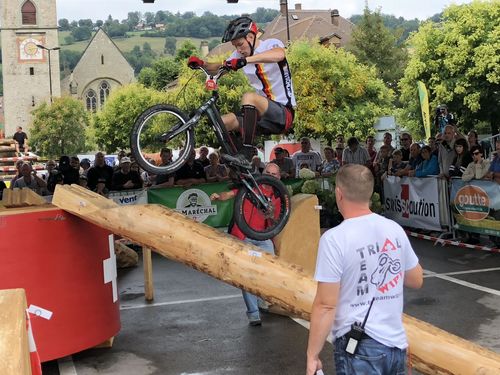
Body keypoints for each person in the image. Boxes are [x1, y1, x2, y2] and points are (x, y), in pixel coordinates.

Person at [306, 164, 423, 375]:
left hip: (359, 347)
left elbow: (325, 305)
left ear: (339, 194)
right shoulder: (394, 229)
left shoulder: (334, 239)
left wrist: (312, 355)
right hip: (396, 345)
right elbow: (416, 279)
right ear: (370, 194)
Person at [187, 16, 296, 161]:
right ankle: (237, 160)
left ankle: (248, 150)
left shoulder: (270, 44)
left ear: (250, 36)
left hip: (283, 113)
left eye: (240, 44)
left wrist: (245, 61)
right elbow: (219, 67)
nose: (238, 49)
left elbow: (279, 54)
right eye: (235, 46)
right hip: (262, 118)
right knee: (221, 122)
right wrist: (202, 64)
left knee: (248, 97)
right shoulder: (239, 55)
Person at [210, 163, 282, 326]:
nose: (270, 177)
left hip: (263, 239)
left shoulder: (278, 196)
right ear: (263, 173)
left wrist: (275, 243)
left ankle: (262, 299)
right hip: (244, 237)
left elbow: (275, 223)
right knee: (246, 274)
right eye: (268, 173)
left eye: (274, 174)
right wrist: (218, 196)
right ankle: (253, 313)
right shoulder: (252, 188)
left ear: (279, 177)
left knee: (271, 269)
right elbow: (231, 194)